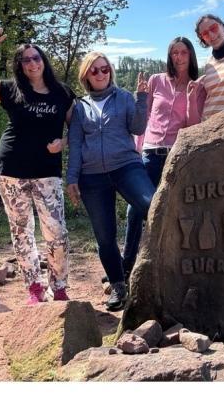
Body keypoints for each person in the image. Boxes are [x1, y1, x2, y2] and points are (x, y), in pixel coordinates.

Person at [0, 28, 75, 305]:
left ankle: (58, 287)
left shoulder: (62, 93)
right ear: (20, 66)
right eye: (26, 60)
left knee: (56, 232)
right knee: (22, 231)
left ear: (44, 60)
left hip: (48, 172)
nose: (33, 63)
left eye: (36, 58)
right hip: (11, 170)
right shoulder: (10, 89)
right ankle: (34, 288)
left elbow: (78, 129)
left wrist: (64, 143)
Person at [65, 51, 154, 311]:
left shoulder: (123, 97)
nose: (101, 74)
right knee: (105, 237)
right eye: (95, 70)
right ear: (86, 76)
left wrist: (142, 99)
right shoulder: (79, 107)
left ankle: (159, 265)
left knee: (152, 206)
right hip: (92, 176)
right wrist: (72, 178)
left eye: (105, 69)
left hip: (126, 166)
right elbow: (76, 145)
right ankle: (118, 285)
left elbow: (137, 128)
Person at [121, 37, 203, 274]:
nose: (178, 57)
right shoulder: (157, 80)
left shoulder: (197, 85)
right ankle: (127, 266)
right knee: (135, 208)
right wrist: (137, 149)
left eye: (183, 53)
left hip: (177, 155)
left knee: (175, 208)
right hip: (150, 151)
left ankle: (168, 265)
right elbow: (143, 117)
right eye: (174, 53)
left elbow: (193, 124)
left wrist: (189, 97)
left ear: (191, 55)